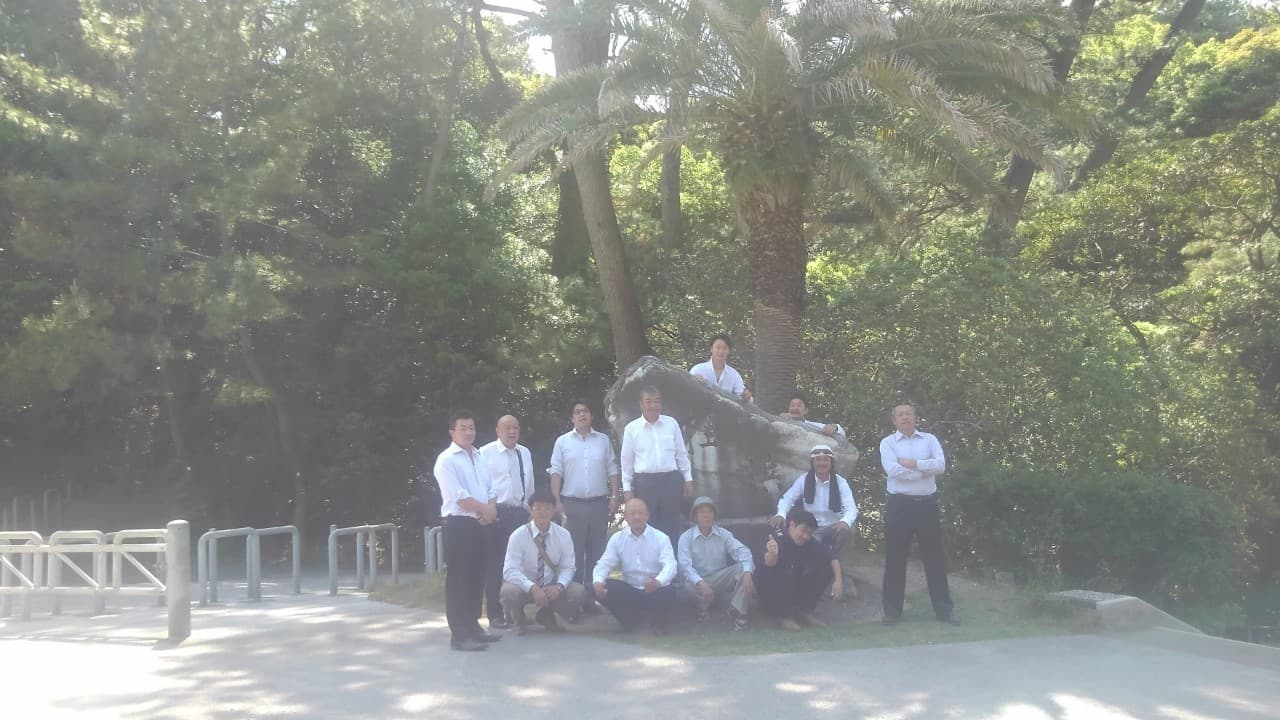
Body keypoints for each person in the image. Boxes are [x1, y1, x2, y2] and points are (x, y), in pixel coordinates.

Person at [879, 403, 956, 625]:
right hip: (899, 505)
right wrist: (923, 472)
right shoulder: (888, 443)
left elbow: (940, 466)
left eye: (908, 414)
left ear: (915, 417)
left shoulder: (929, 440)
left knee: (934, 558)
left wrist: (914, 464)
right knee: (895, 558)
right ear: (894, 420)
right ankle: (892, 612)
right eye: (900, 415)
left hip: (927, 505)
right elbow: (893, 470)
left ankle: (944, 610)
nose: (905, 417)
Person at [432, 411, 502, 651]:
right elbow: (458, 496)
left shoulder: (480, 456)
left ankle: (473, 627)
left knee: (477, 577)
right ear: (452, 432)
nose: (469, 432)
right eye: (463, 428)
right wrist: (485, 510)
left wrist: (490, 509)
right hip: (460, 524)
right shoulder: (446, 460)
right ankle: (460, 635)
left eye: (471, 427)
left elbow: (491, 488)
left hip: (482, 523)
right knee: (460, 580)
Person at [548, 399, 620, 616]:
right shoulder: (562, 442)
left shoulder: (603, 440)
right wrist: (556, 501)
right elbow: (556, 472)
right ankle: (573, 603)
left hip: (599, 504)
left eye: (585, 411)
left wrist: (615, 496)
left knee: (597, 554)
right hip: (572, 505)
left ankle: (591, 600)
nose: (581, 415)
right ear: (572, 418)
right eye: (577, 412)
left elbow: (612, 469)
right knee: (573, 556)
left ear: (591, 416)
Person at [501, 490, 586, 635]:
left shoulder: (563, 535)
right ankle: (518, 619)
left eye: (547, 508)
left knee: (578, 592)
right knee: (508, 591)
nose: (543, 512)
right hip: (524, 586)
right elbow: (510, 570)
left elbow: (568, 567)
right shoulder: (518, 535)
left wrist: (559, 586)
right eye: (538, 507)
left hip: (550, 586)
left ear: (553, 510)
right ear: (530, 509)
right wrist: (532, 588)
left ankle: (546, 615)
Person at [479, 415, 535, 629]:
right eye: (507, 428)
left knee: (519, 564)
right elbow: (481, 484)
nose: (512, 432)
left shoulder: (524, 452)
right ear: (497, 431)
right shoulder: (485, 452)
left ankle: (516, 612)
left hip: (520, 513)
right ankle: (495, 613)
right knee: (495, 565)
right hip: (497, 512)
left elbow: (529, 484)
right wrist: (485, 511)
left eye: (515, 428)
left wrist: (530, 510)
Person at [592, 498, 677, 634]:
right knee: (599, 587)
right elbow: (605, 563)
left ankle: (655, 623)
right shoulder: (617, 538)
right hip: (630, 590)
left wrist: (658, 582)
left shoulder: (661, 538)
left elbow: (670, 566)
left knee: (670, 591)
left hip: (654, 589)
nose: (636, 517)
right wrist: (598, 581)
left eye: (640, 513)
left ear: (647, 515)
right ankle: (631, 622)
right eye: (632, 513)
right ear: (626, 517)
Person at [620, 386, 692, 548]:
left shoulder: (671, 423)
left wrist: (688, 478)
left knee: (672, 524)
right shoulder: (631, 428)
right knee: (647, 526)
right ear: (641, 404)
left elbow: (681, 453)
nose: (653, 405)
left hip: (671, 480)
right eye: (648, 401)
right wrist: (627, 489)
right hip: (645, 483)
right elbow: (626, 461)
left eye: (656, 401)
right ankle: (648, 562)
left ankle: (671, 562)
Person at [757, 508, 843, 631]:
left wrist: (838, 581)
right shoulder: (775, 538)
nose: (806, 536)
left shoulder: (809, 542)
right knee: (787, 571)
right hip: (770, 590)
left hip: (794, 586)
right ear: (792, 525)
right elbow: (768, 564)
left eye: (810, 533)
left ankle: (804, 611)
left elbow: (831, 557)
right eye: (803, 531)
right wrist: (772, 553)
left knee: (824, 567)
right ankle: (784, 616)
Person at [676, 496, 755, 630]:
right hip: (697, 581)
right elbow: (685, 566)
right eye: (702, 512)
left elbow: (743, 552)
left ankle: (738, 611)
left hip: (719, 578)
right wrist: (701, 584)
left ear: (714, 515)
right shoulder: (686, 537)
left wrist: (748, 573)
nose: (706, 515)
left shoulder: (724, 534)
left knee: (744, 567)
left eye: (710, 511)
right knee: (688, 579)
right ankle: (702, 608)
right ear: (695, 516)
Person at [771, 444, 858, 555]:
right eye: (818, 460)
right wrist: (781, 514)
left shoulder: (840, 482)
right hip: (811, 527)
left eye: (826, 460)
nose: (822, 463)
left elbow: (851, 508)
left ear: (831, 463)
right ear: (813, 463)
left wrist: (845, 522)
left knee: (848, 529)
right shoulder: (804, 479)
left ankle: (835, 560)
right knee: (811, 545)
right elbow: (788, 499)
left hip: (833, 527)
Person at [689, 333, 752, 402]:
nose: (721, 351)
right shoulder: (698, 370)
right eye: (718, 347)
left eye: (724, 348)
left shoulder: (734, 375)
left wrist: (747, 396)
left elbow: (745, 398)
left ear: (728, 351)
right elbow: (687, 392)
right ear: (711, 349)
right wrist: (694, 383)